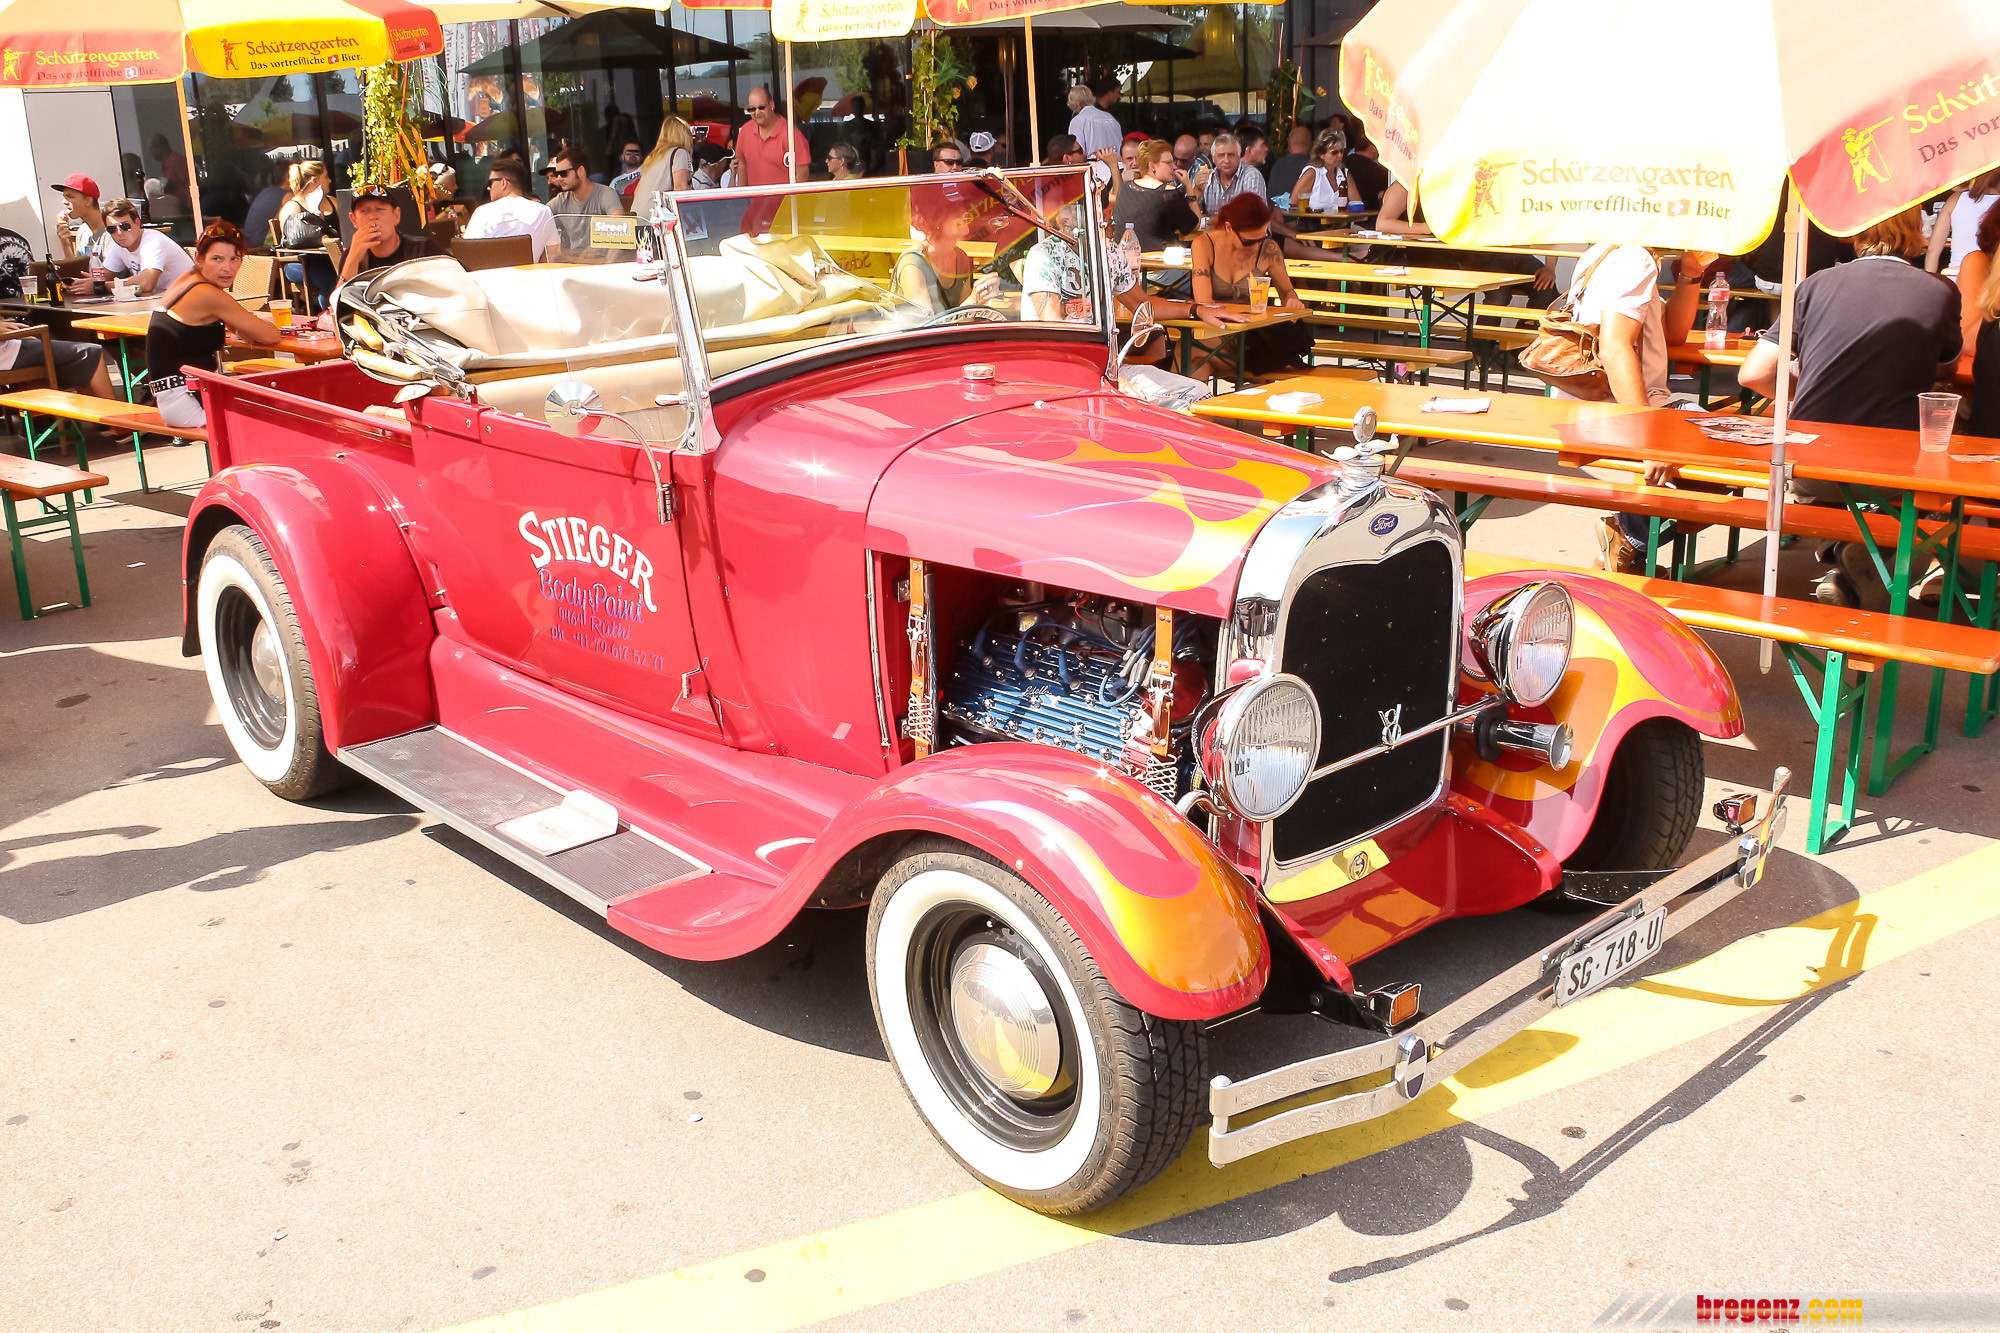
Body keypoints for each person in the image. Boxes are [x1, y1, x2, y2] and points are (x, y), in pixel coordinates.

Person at [1736, 207, 1963, 606]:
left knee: (1839, 473)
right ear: (1917, 231)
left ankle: (1843, 553)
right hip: (1894, 470)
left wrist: (1803, 389)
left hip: (1808, 466)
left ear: (1854, 234)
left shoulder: (1813, 285)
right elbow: (1947, 367)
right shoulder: (1939, 290)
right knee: (1956, 452)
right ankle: (1875, 554)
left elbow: (1753, 375)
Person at [1575, 243, 1720, 574]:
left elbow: (1673, 334)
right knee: (1723, 451)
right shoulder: (1633, 257)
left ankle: (1630, 545)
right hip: (1621, 406)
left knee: (1717, 455)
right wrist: (1648, 439)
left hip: (1603, 403)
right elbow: (1614, 347)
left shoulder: (1610, 251)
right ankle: (1628, 536)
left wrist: (1690, 273)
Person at [144, 222, 282, 429]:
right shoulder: (207, 293)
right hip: (187, 401)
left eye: (234, 259)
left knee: (267, 400)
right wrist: (248, 326)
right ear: (199, 259)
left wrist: (242, 326)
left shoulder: (187, 280)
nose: (227, 268)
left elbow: (235, 325)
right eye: (217, 259)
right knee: (275, 414)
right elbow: (271, 335)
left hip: (177, 396)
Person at [1189, 193, 1311, 377]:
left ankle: (1171, 392)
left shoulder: (1268, 249)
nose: (1256, 247)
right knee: (1196, 360)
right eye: (1249, 241)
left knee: (1190, 351)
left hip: (1256, 337)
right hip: (1217, 331)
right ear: (1229, 228)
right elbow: (1205, 303)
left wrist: (1292, 300)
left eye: (1261, 238)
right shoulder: (1204, 245)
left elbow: (1287, 291)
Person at [894, 191, 999, 315]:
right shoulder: (913, 264)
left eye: (962, 205)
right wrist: (973, 300)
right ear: (934, 220)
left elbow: (966, 318)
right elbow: (926, 322)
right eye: (952, 209)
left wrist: (977, 301)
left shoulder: (961, 258)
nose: (963, 211)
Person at [1110, 139, 1202, 251]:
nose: (1174, 167)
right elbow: (1195, 225)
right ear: (1152, 166)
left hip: (1126, 258)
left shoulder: (1124, 188)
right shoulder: (1169, 194)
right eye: (1168, 163)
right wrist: (1189, 187)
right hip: (1159, 258)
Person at [463, 158, 559, 262]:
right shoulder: (543, 211)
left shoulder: (482, 212)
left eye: (490, 182)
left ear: (504, 183)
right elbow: (552, 253)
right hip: (529, 272)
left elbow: (467, 252)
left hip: (490, 272)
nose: (488, 188)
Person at [278, 161, 340, 313]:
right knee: (330, 279)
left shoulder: (332, 202)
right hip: (299, 262)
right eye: (326, 177)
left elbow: (344, 228)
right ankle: (328, 316)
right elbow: (290, 242)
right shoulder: (292, 207)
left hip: (330, 258)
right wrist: (315, 213)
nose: (330, 180)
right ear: (315, 180)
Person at [544, 146, 626, 260]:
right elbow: (541, 216)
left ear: (580, 171)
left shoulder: (606, 194)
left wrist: (608, 264)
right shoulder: (561, 200)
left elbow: (619, 228)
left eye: (563, 173)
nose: (559, 178)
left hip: (601, 264)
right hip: (574, 264)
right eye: (557, 174)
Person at [97, 198, 193, 294]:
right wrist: (93, 283)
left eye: (125, 226)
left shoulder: (152, 242)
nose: (119, 232)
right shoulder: (119, 245)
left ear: (137, 223)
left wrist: (103, 287)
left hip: (187, 294)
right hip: (164, 296)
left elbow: (147, 283)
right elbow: (104, 277)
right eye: (112, 229)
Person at [337, 185, 430, 282]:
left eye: (379, 209)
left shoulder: (423, 250)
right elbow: (340, 292)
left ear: (396, 215)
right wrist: (353, 259)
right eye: (364, 211)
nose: (372, 217)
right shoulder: (351, 255)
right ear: (354, 220)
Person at [1924, 169, 2000, 274]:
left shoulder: (1955, 199)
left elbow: (1933, 249)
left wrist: (1929, 280)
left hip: (1955, 276)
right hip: (1991, 279)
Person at [630, 115, 697, 216]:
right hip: (658, 217)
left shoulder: (653, 156)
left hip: (638, 215)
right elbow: (680, 190)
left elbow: (637, 191)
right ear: (684, 135)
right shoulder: (680, 153)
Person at [1198, 133, 1264, 215]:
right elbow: (1192, 216)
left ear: (1239, 156)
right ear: (1213, 158)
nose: (1227, 160)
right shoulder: (1206, 177)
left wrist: (1213, 220)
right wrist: (1197, 190)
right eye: (1221, 155)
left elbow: (1253, 215)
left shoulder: (1251, 176)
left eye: (1231, 155)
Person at [48, 175, 107, 264]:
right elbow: (76, 268)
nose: (64, 202)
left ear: (88, 201)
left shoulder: (112, 231)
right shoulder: (82, 231)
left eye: (70, 197)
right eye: (64, 197)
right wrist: (65, 242)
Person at [1067, 83, 1121, 160]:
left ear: (1072, 103)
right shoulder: (1110, 117)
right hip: (1116, 163)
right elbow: (1120, 145)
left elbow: (1076, 152)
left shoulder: (1077, 121)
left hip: (1093, 164)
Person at [243, 163, 291, 248]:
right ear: (288, 177)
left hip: (249, 243)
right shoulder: (287, 196)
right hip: (262, 248)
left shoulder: (264, 192)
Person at [1264, 124, 1314, 203]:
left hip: (1276, 210)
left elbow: (1270, 199)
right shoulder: (1315, 167)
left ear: (1289, 144)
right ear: (1312, 145)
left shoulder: (1278, 165)